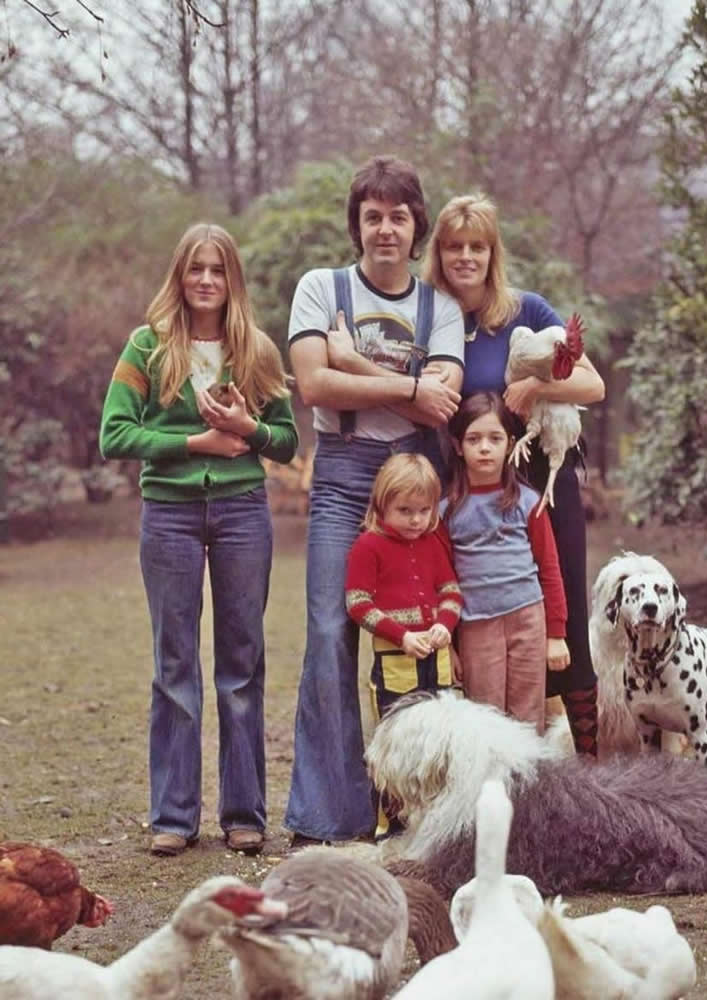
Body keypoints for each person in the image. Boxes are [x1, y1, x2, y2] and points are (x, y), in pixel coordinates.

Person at [99, 222, 298, 857]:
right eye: (195, 269)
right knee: (174, 665)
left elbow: (288, 442)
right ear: (179, 277)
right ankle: (173, 817)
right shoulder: (148, 347)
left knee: (242, 665)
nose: (206, 280)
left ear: (232, 278)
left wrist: (249, 428)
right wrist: (195, 443)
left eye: (217, 270)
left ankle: (244, 814)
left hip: (242, 510)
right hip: (170, 513)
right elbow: (115, 435)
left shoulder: (256, 351)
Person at [285, 155, 464, 846]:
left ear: (416, 224)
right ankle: (331, 815)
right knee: (332, 631)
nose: (385, 229)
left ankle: (421, 803)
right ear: (356, 225)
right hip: (342, 472)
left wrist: (354, 363)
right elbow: (313, 386)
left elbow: (442, 396)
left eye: (398, 216)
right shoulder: (320, 288)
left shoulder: (438, 307)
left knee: (426, 632)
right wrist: (407, 386)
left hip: (416, 478)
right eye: (372, 217)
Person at [423, 194, 606, 756]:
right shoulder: (431, 317)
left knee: (563, 615)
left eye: (478, 246)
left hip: (543, 481)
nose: (466, 257)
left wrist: (538, 386)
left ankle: (589, 766)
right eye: (454, 246)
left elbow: (593, 385)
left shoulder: (526, 310)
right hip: (473, 490)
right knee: (479, 618)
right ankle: (487, 760)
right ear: (439, 253)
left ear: (492, 252)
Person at [440, 393, 567, 733]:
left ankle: (529, 787)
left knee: (528, 717)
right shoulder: (445, 511)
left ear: (510, 444)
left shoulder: (528, 502)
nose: (484, 448)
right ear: (456, 445)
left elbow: (550, 570)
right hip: (476, 625)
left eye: (495, 439)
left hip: (527, 618)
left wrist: (556, 634)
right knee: (485, 719)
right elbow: (442, 582)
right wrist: (450, 646)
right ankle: (490, 786)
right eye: (474, 439)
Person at [345, 452, 463, 719]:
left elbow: (451, 591)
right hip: (396, 661)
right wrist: (402, 636)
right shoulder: (368, 546)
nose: (416, 520)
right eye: (405, 510)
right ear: (381, 505)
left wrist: (445, 624)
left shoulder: (432, 542)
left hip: (438, 659)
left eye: (425, 510)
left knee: (441, 732)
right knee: (397, 735)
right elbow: (358, 604)